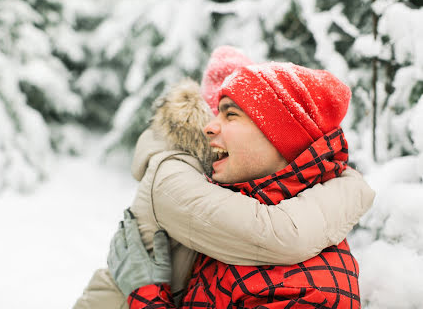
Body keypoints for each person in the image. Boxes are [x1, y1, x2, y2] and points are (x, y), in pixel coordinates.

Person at [74, 47, 375, 309]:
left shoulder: (311, 289)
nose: (208, 128)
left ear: (282, 139)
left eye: (230, 115)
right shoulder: (228, 230)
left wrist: (146, 295)